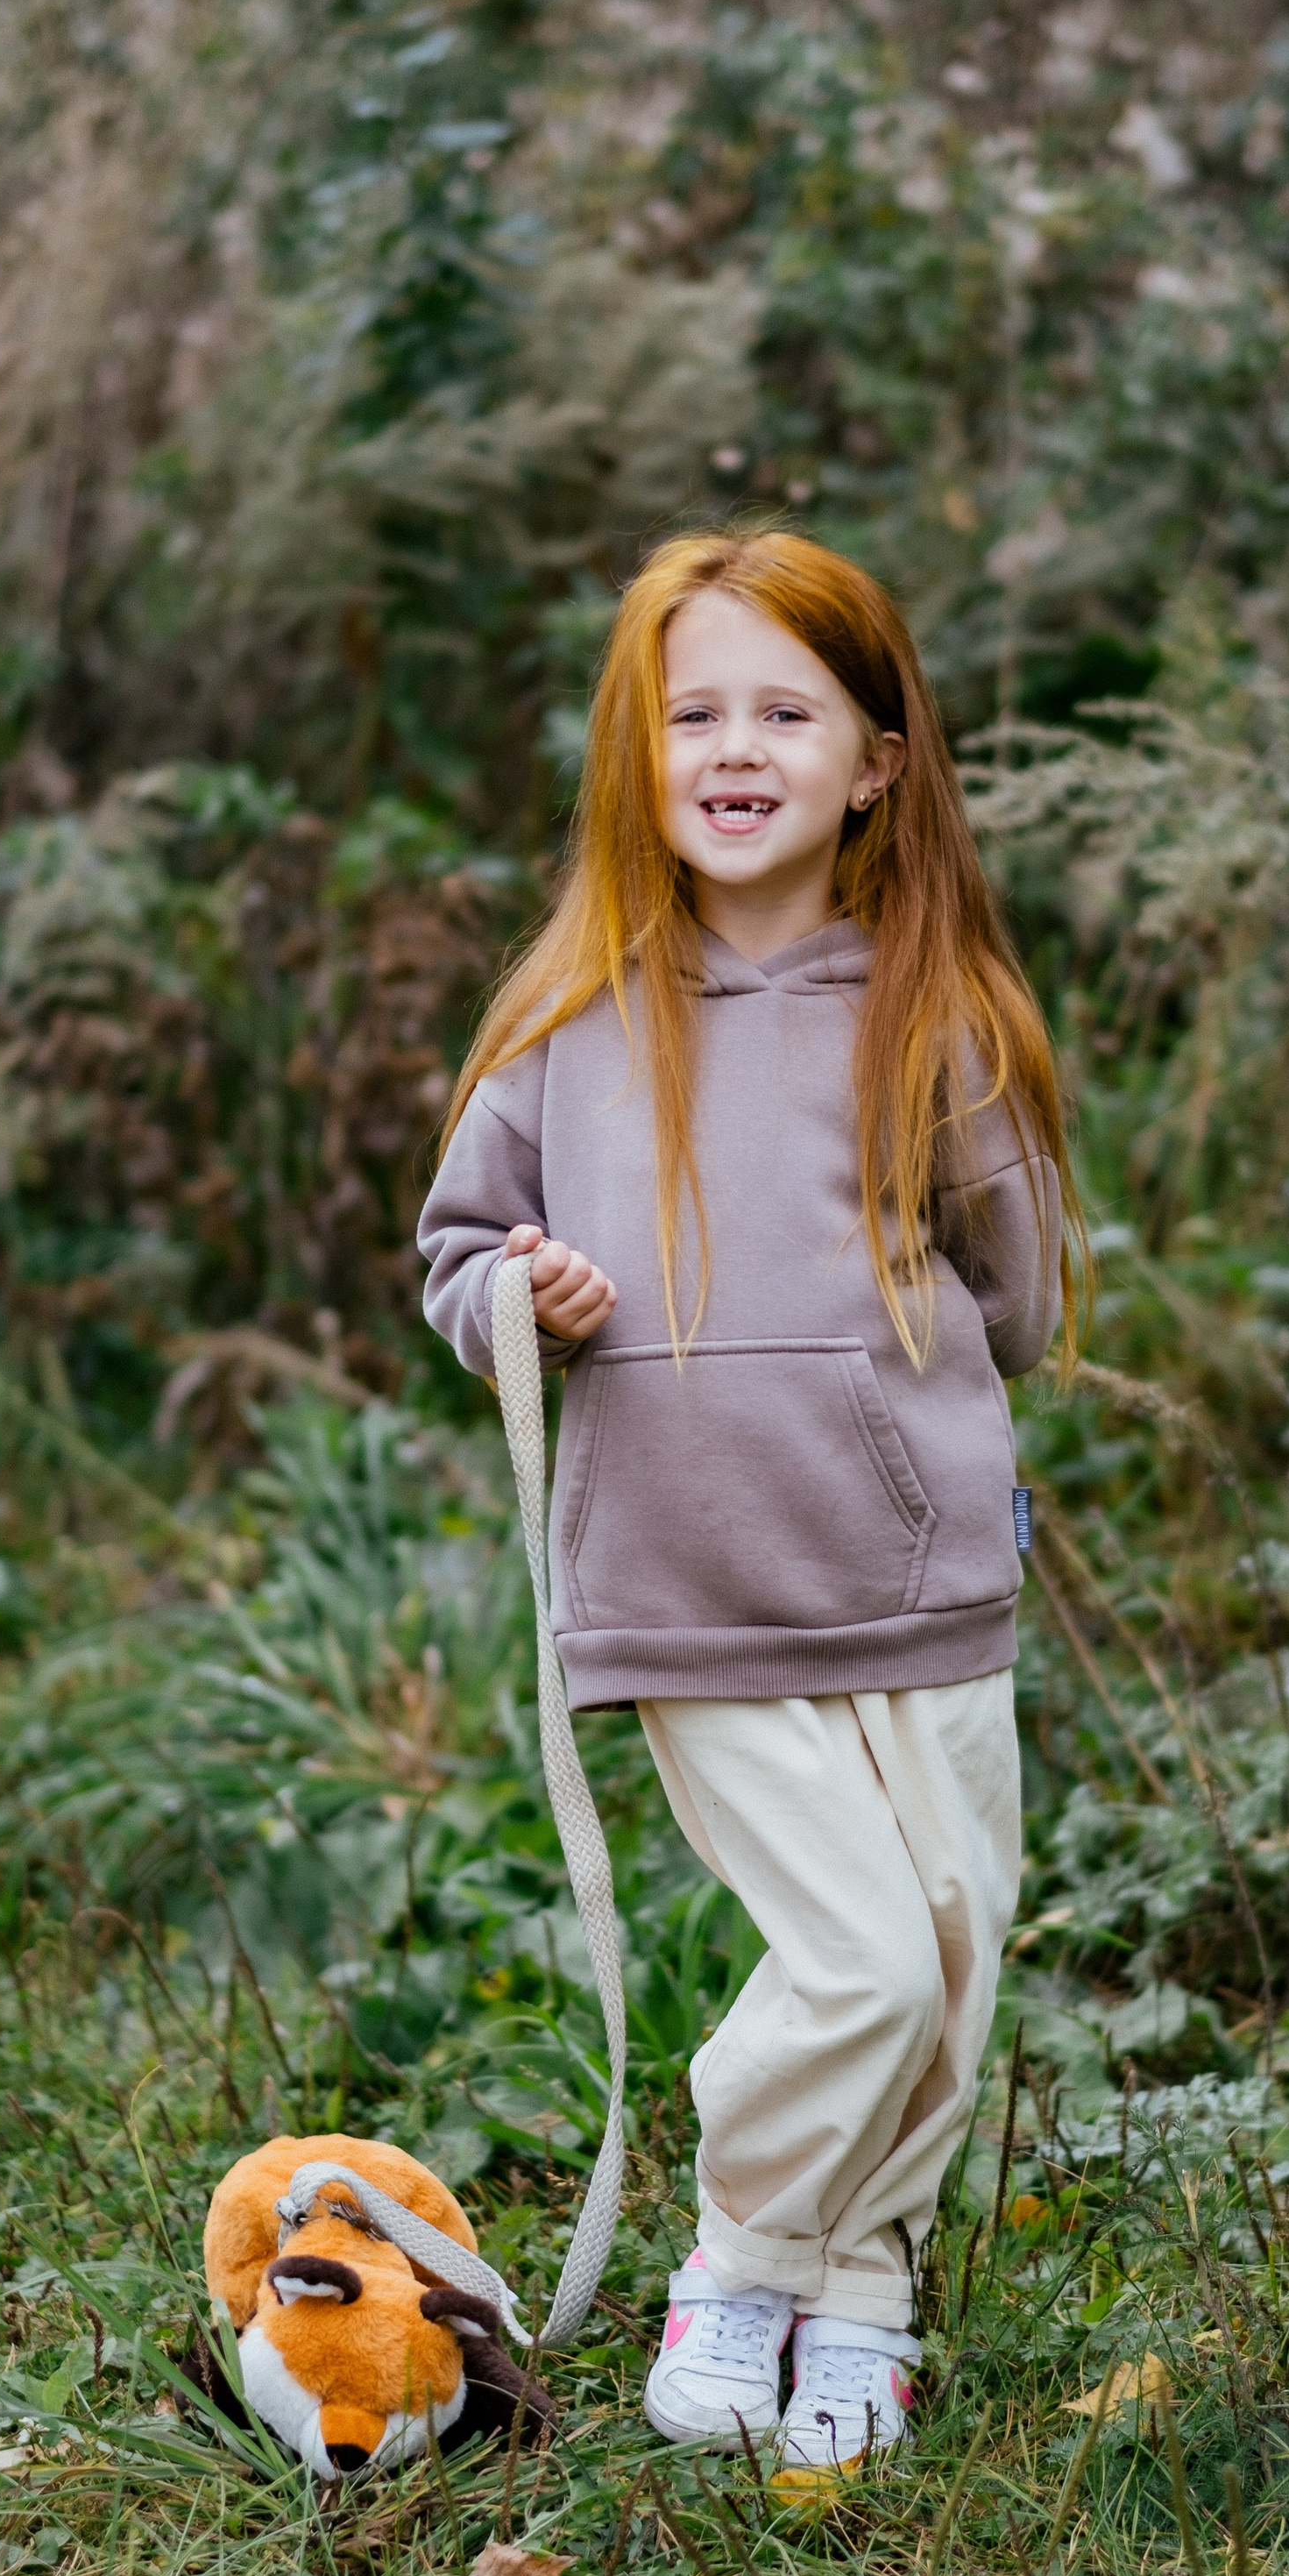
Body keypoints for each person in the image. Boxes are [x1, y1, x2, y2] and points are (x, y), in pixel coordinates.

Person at [418, 527, 1082, 2473]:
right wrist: (515, 1303)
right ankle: (739, 2257)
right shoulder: (573, 1020)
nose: (731, 745)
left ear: (874, 757)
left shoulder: (935, 1011)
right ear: (640, 756)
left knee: (947, 1960)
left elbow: (1019, 1301)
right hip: (695, 1579)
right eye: (687, 711)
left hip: (914, 1563)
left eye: (782, 710)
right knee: (857, 1962)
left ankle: (860, 2301)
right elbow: (457, 1251)